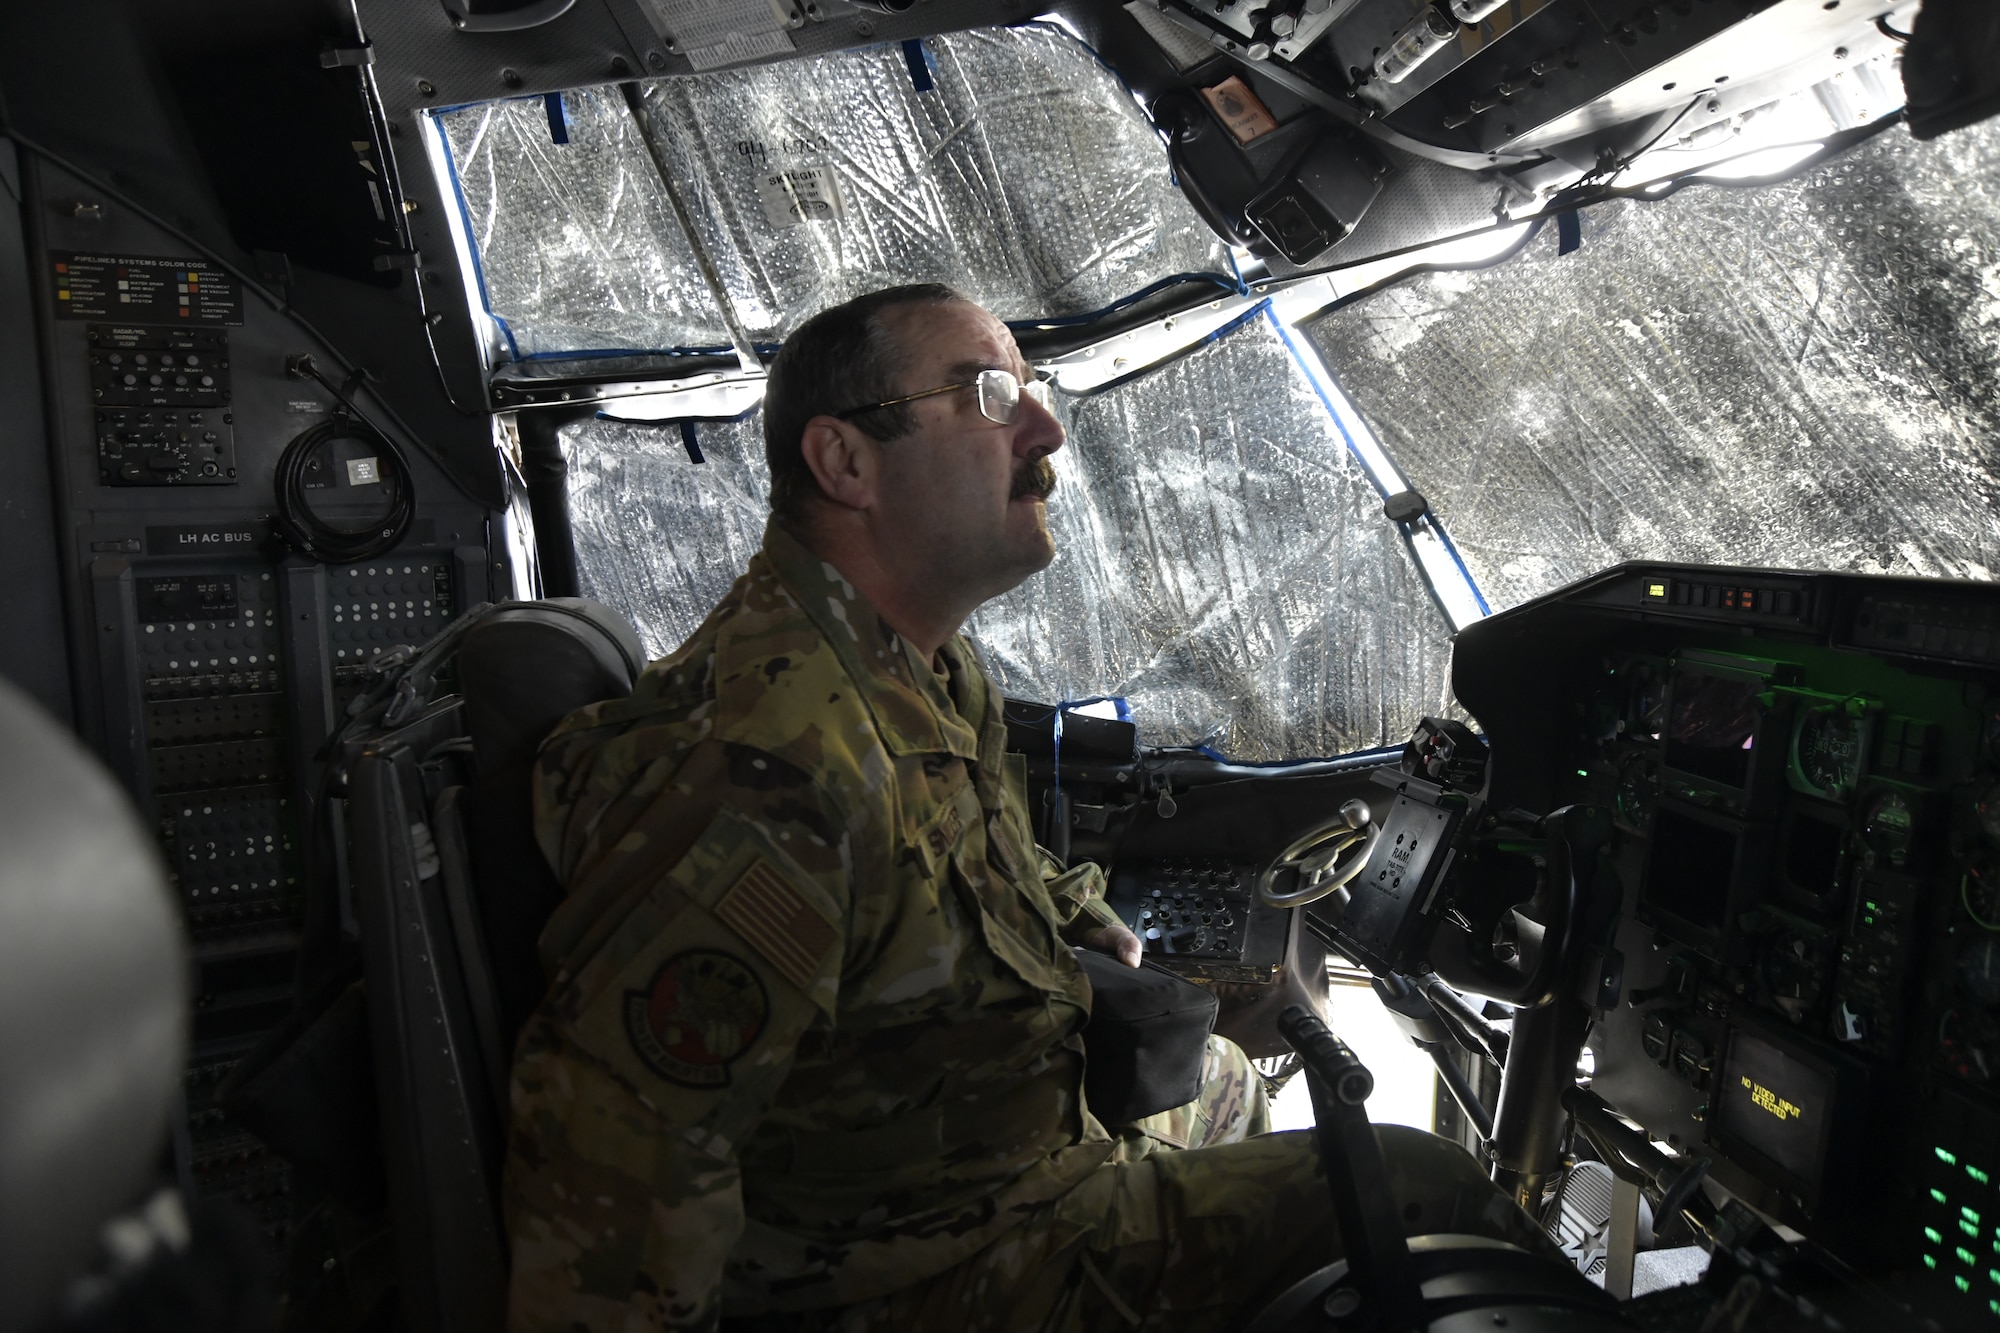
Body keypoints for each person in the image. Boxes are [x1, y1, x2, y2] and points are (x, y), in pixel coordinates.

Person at [504, 285, 1542, 1332]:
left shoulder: (911, 659)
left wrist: (1064, 912)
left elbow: (935, 854)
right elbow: (622, 1174)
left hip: (994, 1155)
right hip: (931, 1272)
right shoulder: (767, 771)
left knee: (1221, 1077)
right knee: (1426, 1188)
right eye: (988, 394)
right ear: (845, 463)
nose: (1044, 428)